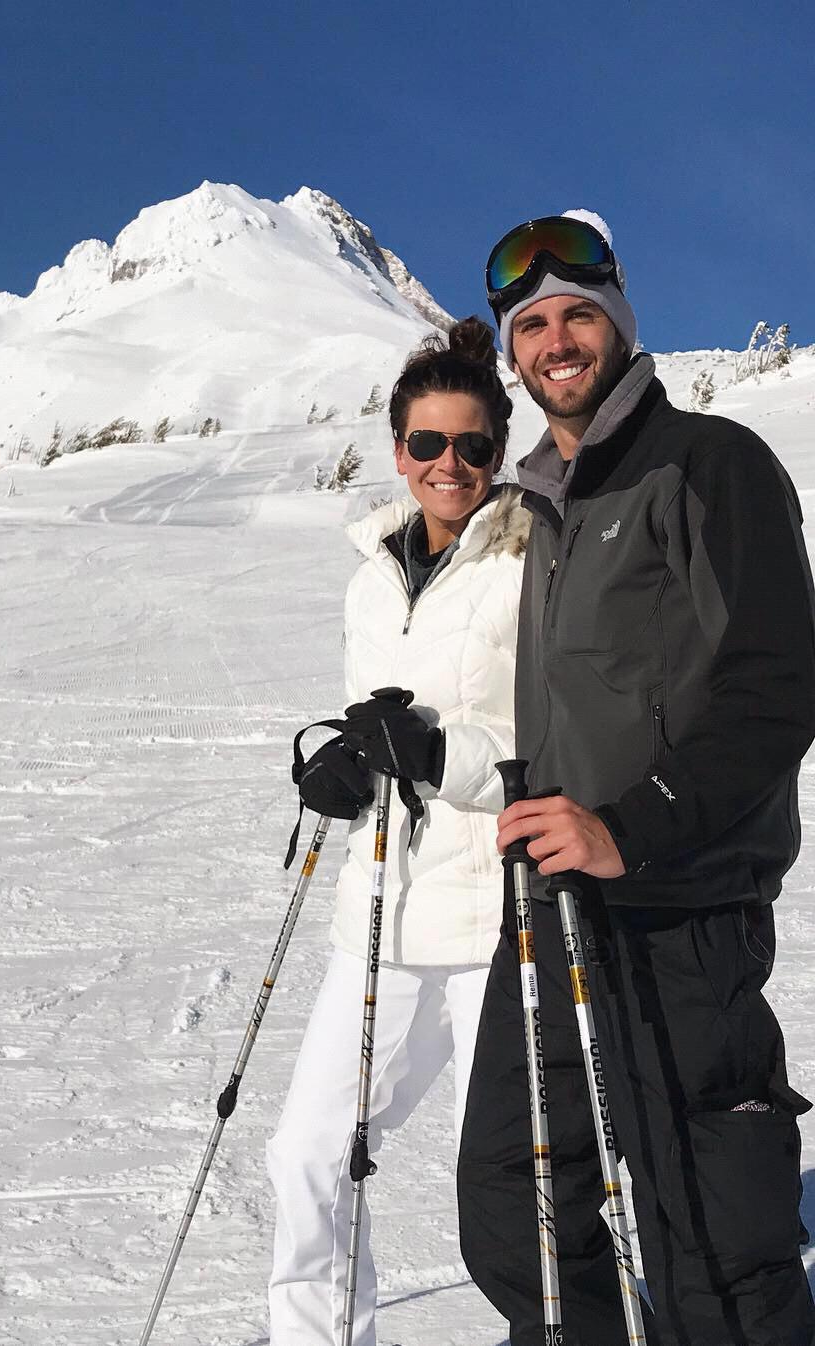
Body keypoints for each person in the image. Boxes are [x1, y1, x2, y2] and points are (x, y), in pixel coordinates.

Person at [456, 211, 815, 1346]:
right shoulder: (538, 510)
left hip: (681, 912)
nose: (556, 339)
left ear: (618, 326)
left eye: (578, 316)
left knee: (711, 1242)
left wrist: (636, 824)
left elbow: (776, 684)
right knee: (520, 1203)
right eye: (533, 325)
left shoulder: (711, 463)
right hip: (554, 918)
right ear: (513, 355)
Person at [265, 317, 530, 1345]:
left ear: (498, 451)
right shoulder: (370, 572)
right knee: (306, 1153)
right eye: (428, 444)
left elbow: (533, 736)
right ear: (398, 451)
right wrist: (343, 767)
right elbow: (368, 716)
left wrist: (430, 753)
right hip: (378, 910)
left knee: (503, 1183)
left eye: (471, 445)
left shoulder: (530, 558)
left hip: (493, 919)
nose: (449, 464)